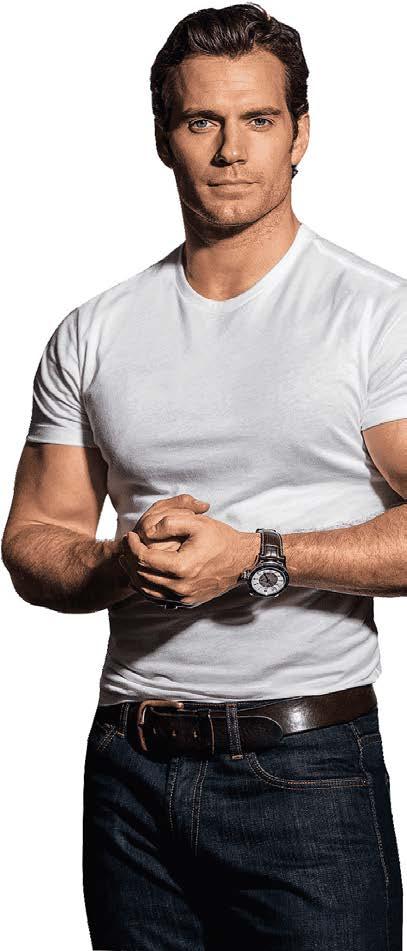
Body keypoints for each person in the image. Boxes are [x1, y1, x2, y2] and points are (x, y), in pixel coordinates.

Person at [1, 3, 405, 948]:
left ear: (299, 134)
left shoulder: (373, 317)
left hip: (305, 770)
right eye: (200, 121)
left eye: (258, 119)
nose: (229, 150)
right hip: (130, 769)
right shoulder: (94, 331)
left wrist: (261, 555)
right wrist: (117, 565)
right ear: (162, 138)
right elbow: (33, 536)